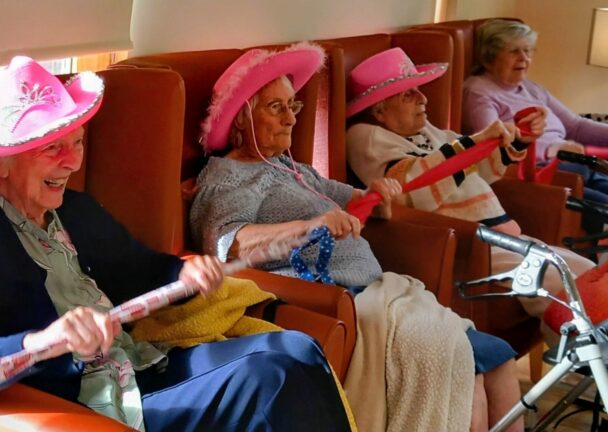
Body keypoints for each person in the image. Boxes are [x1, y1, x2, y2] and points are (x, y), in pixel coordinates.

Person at [0, 56, 351, 432]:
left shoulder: (74, 211)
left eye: (77, 141)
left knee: (298, 349)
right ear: (1, 159)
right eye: (52, 147)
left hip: (142, 365)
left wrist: (186, 273)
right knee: (271, 378)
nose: (72, 161)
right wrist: (40, 342)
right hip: (95, 401)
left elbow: (142, 270)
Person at [190, 42, 522, 432]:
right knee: (469, 375)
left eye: (291, 106)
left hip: (378, 289)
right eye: (275, 108)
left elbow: (347, 197)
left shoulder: (287, 167)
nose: (290, 119)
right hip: (341, 298)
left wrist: (376, 196)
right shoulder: (227, 178)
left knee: (499, 361)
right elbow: (228, 244)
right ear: (241, 119)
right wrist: (308, 227)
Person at [345, 47, 595, 327]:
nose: (423, 98)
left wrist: (516, 139)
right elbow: (411, 189)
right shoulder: (365, 136)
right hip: (468, 246)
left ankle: (587, 360)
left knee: (589, 273)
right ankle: (585, 361)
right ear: (379, 110)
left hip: (500, 238)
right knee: (559, 285)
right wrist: (471, 147)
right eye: (409, 93)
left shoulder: (427, 130)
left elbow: (476, 166)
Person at [463, 19, 608, 233]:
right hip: (543, 176)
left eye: (528, 51)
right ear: (489, 57)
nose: (524, 58)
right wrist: (552, 151)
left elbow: (575, 126)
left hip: (576, 167)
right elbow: (492, 145)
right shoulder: (479, 92)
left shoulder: (531, 88)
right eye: (514, 51)